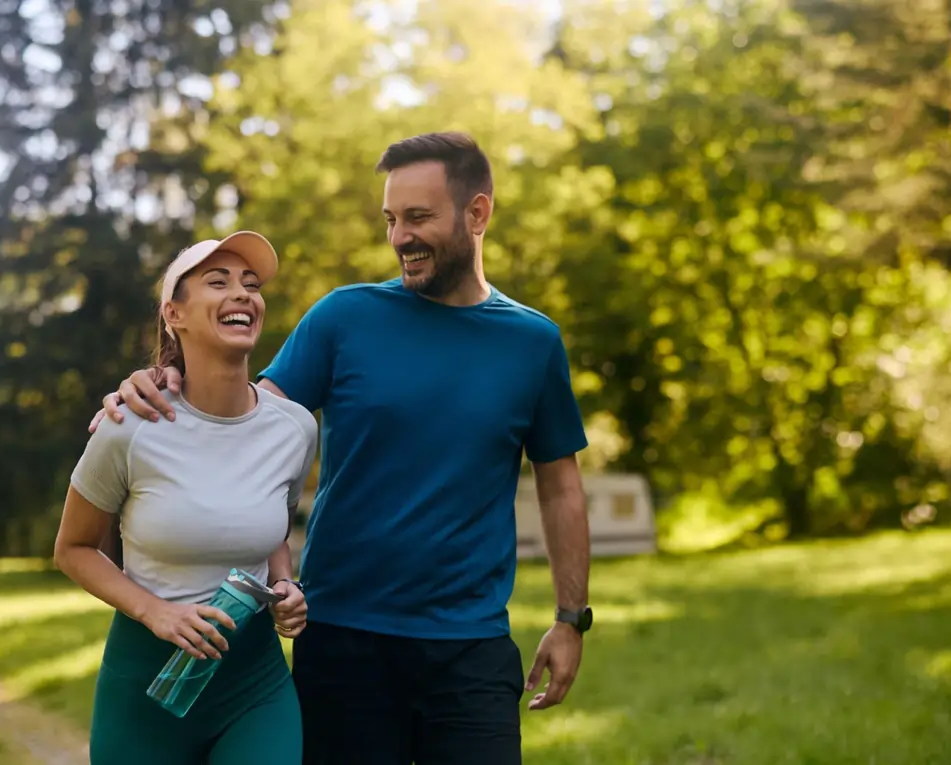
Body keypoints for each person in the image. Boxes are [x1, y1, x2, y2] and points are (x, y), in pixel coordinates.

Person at [89, 132, 594, 765]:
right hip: (343, 643)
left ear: (477, 214)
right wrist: (165, 376)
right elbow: (238, 423)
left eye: (419, 217)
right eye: (391, 219)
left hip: (471, 648)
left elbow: (561, 485)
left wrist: (571, 618)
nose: (400, 237)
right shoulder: (343, 319)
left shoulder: (533, 343)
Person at [55, 230, 318, 765]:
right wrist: (157, 613)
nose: (242, 293)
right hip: (146, 684)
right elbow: (74, 549)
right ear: (174, 314)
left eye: (251, 283)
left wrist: (285, 585)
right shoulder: (129, 427)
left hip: (254, 683)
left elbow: (272, 531)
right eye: (217, 282)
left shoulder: (293, 429)